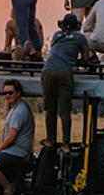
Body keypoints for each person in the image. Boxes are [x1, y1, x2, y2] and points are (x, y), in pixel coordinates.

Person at [40, 14, 93, 147]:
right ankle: (65, 145)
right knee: (64, 111)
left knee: (50, 109)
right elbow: (86, 60)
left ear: (63, 25)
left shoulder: (57, 35)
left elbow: (56, 51)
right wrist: (75, 61)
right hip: (65, 72)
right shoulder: (81, 37)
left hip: (48, 70)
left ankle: (50, 140)